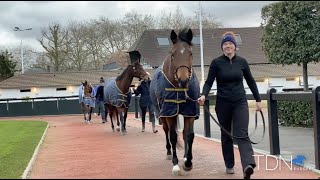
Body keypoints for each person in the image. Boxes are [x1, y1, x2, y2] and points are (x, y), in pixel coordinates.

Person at [197, 31, 262, 179]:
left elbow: (251, 81)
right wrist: (203, 94)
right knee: (226, 135)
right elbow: (209, 82)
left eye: (230, 43)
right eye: (225, 44)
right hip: (223, 103)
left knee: (242, 133)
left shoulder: (242, 62)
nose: (228, 46)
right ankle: (229, 164)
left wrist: (258, 100)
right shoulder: (216, 63)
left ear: (235, 46)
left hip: (240, 102)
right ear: (222, 47)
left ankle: (248, 165)